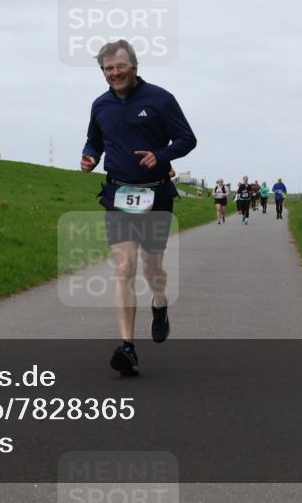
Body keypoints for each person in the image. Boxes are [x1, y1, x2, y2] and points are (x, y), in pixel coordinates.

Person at [81, 39, 196, 376]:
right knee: (124, 267)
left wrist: (160, 156)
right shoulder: (100, 105)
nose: (114, 73)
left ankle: (159, 303)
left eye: (120, 67)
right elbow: (94, 140)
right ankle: (127, 346)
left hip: (156, 196)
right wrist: (90, 156)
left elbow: (187, 139)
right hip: (118, 194)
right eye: (108, 69)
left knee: (151, 269)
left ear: (134, 66)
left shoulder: (160, 99)